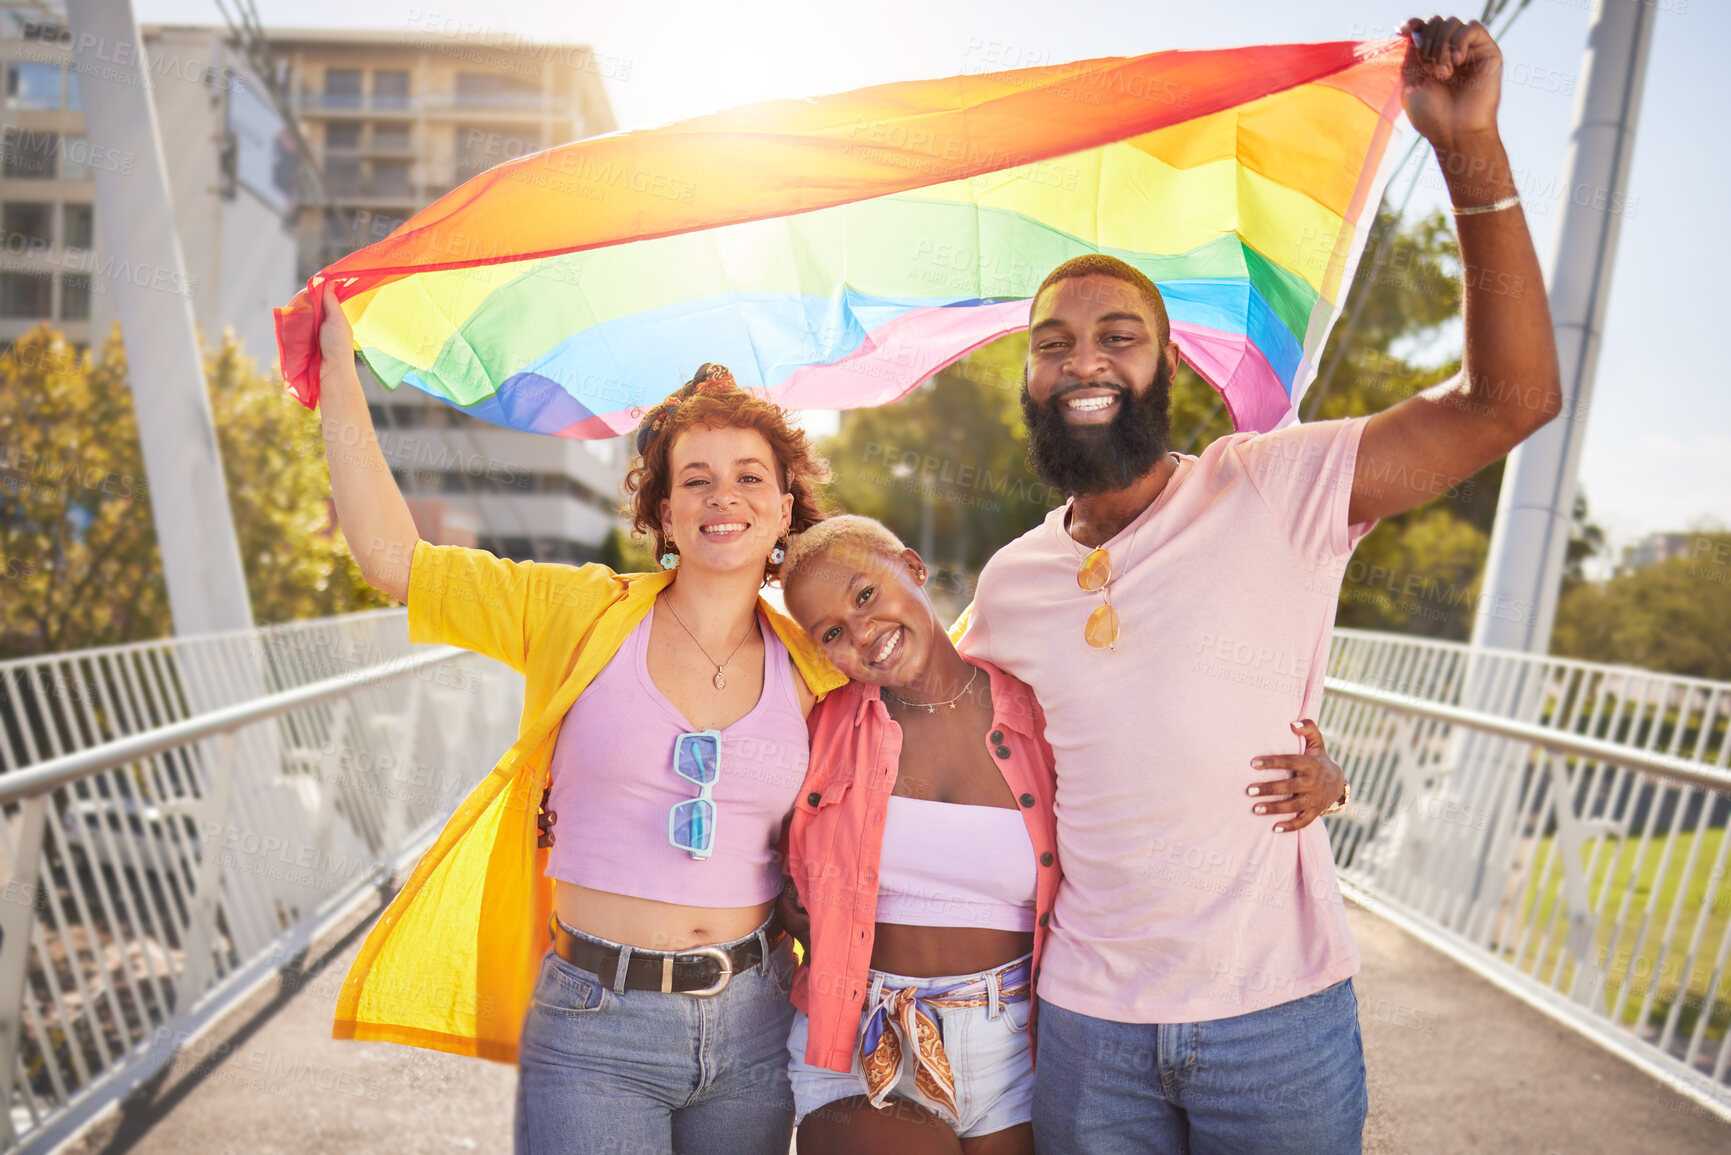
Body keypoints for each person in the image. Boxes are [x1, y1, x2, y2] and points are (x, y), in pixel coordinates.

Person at [956, 17, 1562, 1153]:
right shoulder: (1011, 582)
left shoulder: (1279, 484)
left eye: (1116, 334)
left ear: (1166, 362)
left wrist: (1468, 147)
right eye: (1052, 342)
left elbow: (1510, 400)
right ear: (1029, 378)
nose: (1083, 359)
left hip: (1278, 1023)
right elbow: (920, 728)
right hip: (1088, 1021)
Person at [315, 294, 847, 1154]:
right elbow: (392, 562)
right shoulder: (574, 613)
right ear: (664, 513)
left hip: (755, 1025)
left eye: (751, 476)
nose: (725, 496)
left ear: (785, 510)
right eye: (696, 479)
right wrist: (341, 379)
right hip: (595, 1026)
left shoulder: (820, 667)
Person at [776, 516, 1348, 1155]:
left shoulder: (1040, 710)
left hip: (1013, 1045)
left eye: (865, 595)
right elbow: (744, 820)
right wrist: (786, 899)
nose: (862, 632)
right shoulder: (814, 725)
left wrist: (1325, 775)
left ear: (912, 567)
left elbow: (1169, 761)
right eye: (832, 632)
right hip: (857, 1035)